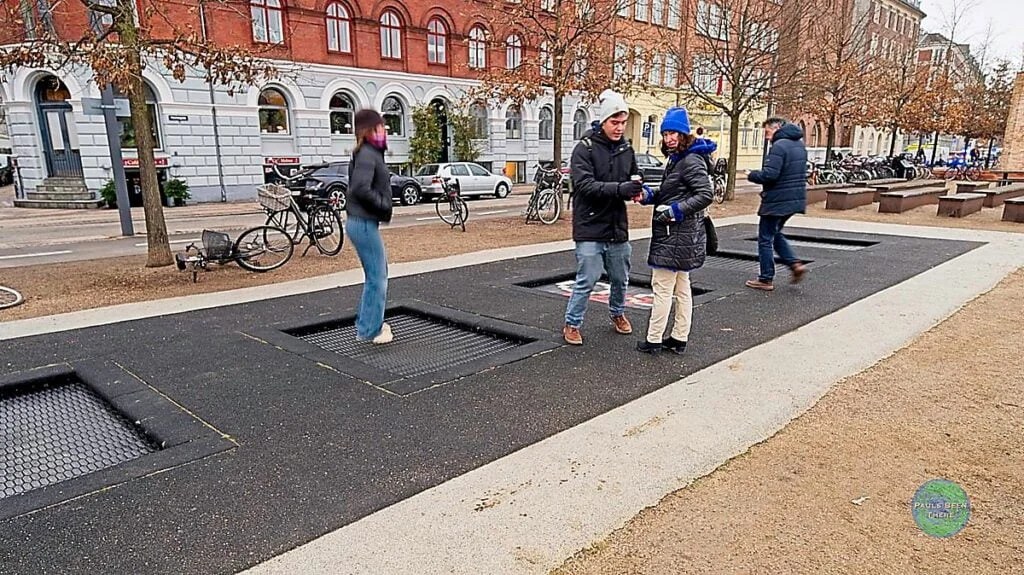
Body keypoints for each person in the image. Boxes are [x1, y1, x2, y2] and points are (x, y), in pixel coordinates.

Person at [562, 89, 642, 346]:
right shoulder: (583, 149)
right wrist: (621, 190)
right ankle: (572, 323)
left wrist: (639, 190)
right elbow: (584, 186)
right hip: (589, 226)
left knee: (621, 278)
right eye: (614, 122)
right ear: (603, 121)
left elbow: (634, 177)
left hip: (617, 227)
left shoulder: (627, 150)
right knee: (587, 278)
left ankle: (618, 312)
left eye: (623, 122)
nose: (619, 128)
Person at [633, 107, 715, 354]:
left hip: (674, 235)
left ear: (684, 134)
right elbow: (671, 192)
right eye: (666, 133)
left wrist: (675, 211)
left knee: (662, 288)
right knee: (681, 289)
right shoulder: (680, 158)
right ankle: (679, 338)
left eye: (674, 133)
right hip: (682, 237)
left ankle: (654, 339)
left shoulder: (689, 160)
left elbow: (705, 194)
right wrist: (648, 195)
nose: (669, 138)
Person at [346, 109, 394, 344]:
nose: (385, 130)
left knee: (376, 275)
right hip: (363, 223)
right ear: (370, 130)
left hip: (362, 222)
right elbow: (360, 188)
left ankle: (368, 325)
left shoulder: (368, 153)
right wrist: (383, 204)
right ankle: (370, 331)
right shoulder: (367, 154)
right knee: (377, 277)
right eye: (381, 126)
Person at [745, 117, 807, 292]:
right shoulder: (799, 146)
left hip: (777, 201)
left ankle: (766, 278)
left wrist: (752, 174)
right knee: (775, 232)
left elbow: (770, 175)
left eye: (767, 132)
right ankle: (794, 264)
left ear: (777, 128)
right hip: (794, 199)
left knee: (765, 238)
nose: (766, 137)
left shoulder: (779, 146)